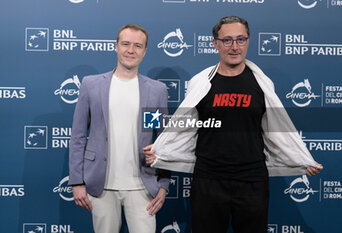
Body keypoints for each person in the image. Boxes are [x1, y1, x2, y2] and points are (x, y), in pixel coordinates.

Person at [143, 16, 322, 233]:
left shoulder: (262, 84)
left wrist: (301, 159)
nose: (234, 46)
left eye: (240, 39)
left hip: (252, 181)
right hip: (208, 179)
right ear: (215, 43)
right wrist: (161, 150)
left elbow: (277, 131)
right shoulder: (200, 83)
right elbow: (185, 128)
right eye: (227, 40)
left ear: (248, 41)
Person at [69, 24, 170, 233]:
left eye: (137, 46)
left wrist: (164, 185)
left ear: (144, 51)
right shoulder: (91, 85)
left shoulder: (156, 90)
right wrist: (77, 182)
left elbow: (163, 141)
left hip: (143, 187)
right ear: (116, 46)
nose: (130, 50)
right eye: (125, 44)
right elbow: (78, 136)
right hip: (101, 186)